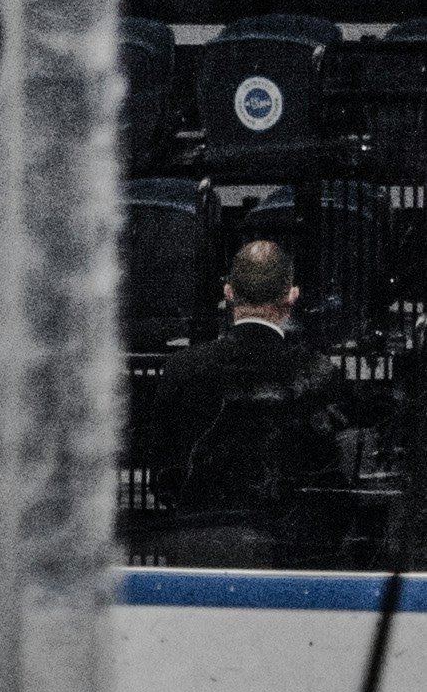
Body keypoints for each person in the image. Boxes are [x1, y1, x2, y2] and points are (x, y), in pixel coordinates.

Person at [148, 236, 359, 560]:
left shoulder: (181, 369)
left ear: (229, 292)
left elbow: (164, 473)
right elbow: (334, 484)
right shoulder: (320, 375)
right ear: (292, 296)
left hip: (200, 551)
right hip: (292, 558)